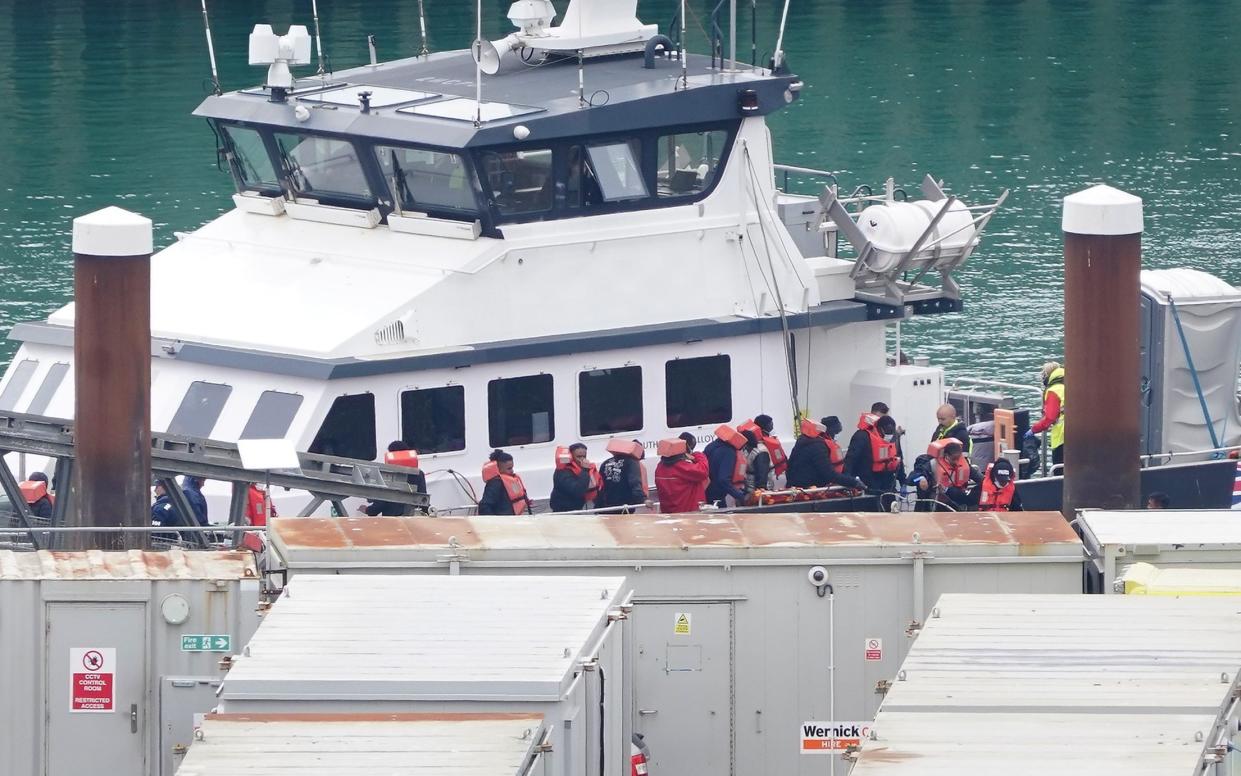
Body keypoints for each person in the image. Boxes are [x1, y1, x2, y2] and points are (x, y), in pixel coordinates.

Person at [844, 413, 904, 505]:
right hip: (867, 486)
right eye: (887, 432)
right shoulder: (862, 436)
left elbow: (898, 457)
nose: (889, 435)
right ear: (880, 429)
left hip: (887, 486)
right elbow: (850, 459)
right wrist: (848, 481)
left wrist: (903, 480)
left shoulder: (892, 438)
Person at [786, 418, 862, 490]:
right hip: (809, 487)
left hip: (795, 485)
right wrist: (854, 482)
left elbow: (789, 468)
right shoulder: (818, 446)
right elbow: (828, 473)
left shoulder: (802, 442)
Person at [362, 441, 428, 516]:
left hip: (391, 520)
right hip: (412, 518)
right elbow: (423, 498)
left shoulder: (388, 474)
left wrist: (368, 510)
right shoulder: (419, 474)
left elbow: (382, 502)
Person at [653, 437, 709, 513]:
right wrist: (698, 455)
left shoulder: (659, 467)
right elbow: (703, 471)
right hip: (688, 513)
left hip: (668, 512)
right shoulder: (681, 467)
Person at [1028, 362, 1065, 473]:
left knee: (1059, 469)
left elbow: (1050, 418)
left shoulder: (1054, 390)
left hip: (1062, 436)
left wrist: (1033, 429)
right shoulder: (1068, 385)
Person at [703, 425, 748, 507]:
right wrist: (740, 496)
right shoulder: (729, 452)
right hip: (717, 496)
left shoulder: (710, 446)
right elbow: (723, 480)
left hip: (706, 492)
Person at [550, 443, 602, 512]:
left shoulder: (581, 470)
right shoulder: (563, 471)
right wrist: (585, 470)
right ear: (571, 456)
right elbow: (578, 490)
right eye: (579, 457)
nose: (582, 459)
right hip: (563, 512)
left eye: (584, 456)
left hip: (576, 509)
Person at [929, 439, 978, 511]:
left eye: (958, 458)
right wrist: (922, 479)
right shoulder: (933, 464)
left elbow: (981, 479)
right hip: (939, 503)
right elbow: (913, 478)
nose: (956, 461)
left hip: (959, 501)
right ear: (946, 456)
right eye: (954, 459)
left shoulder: (965, 465)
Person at [478, 449, 530, 515]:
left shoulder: (511, 480)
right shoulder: (495, 483)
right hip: (502, 521)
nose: (512, 471)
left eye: (512, 468)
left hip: (513, 518)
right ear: (498, 469)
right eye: (509, 468)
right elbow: (484, 506)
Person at [599, 439, 647, 511]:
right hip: (624, 506)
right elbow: (635, 483)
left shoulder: (605, 463)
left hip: (605, 505)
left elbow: (600, 484)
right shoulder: (631, 462)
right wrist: (643, 500)